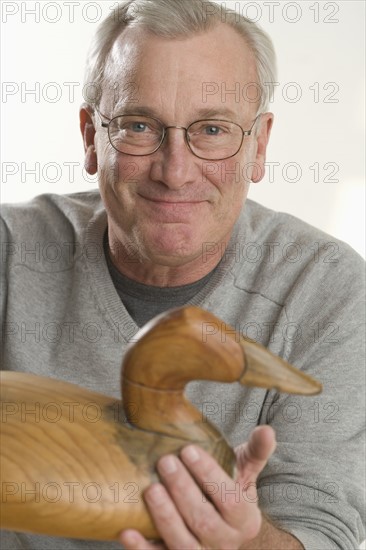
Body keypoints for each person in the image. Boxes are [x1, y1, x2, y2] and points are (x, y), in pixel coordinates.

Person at [0, 0, 364, 549]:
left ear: (259, 146)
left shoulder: (329, 291)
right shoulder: (10, 248)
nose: (175, 171)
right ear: (89, 137)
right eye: (139, 125)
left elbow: (323, 526)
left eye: (212, 129)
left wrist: (248, 542)